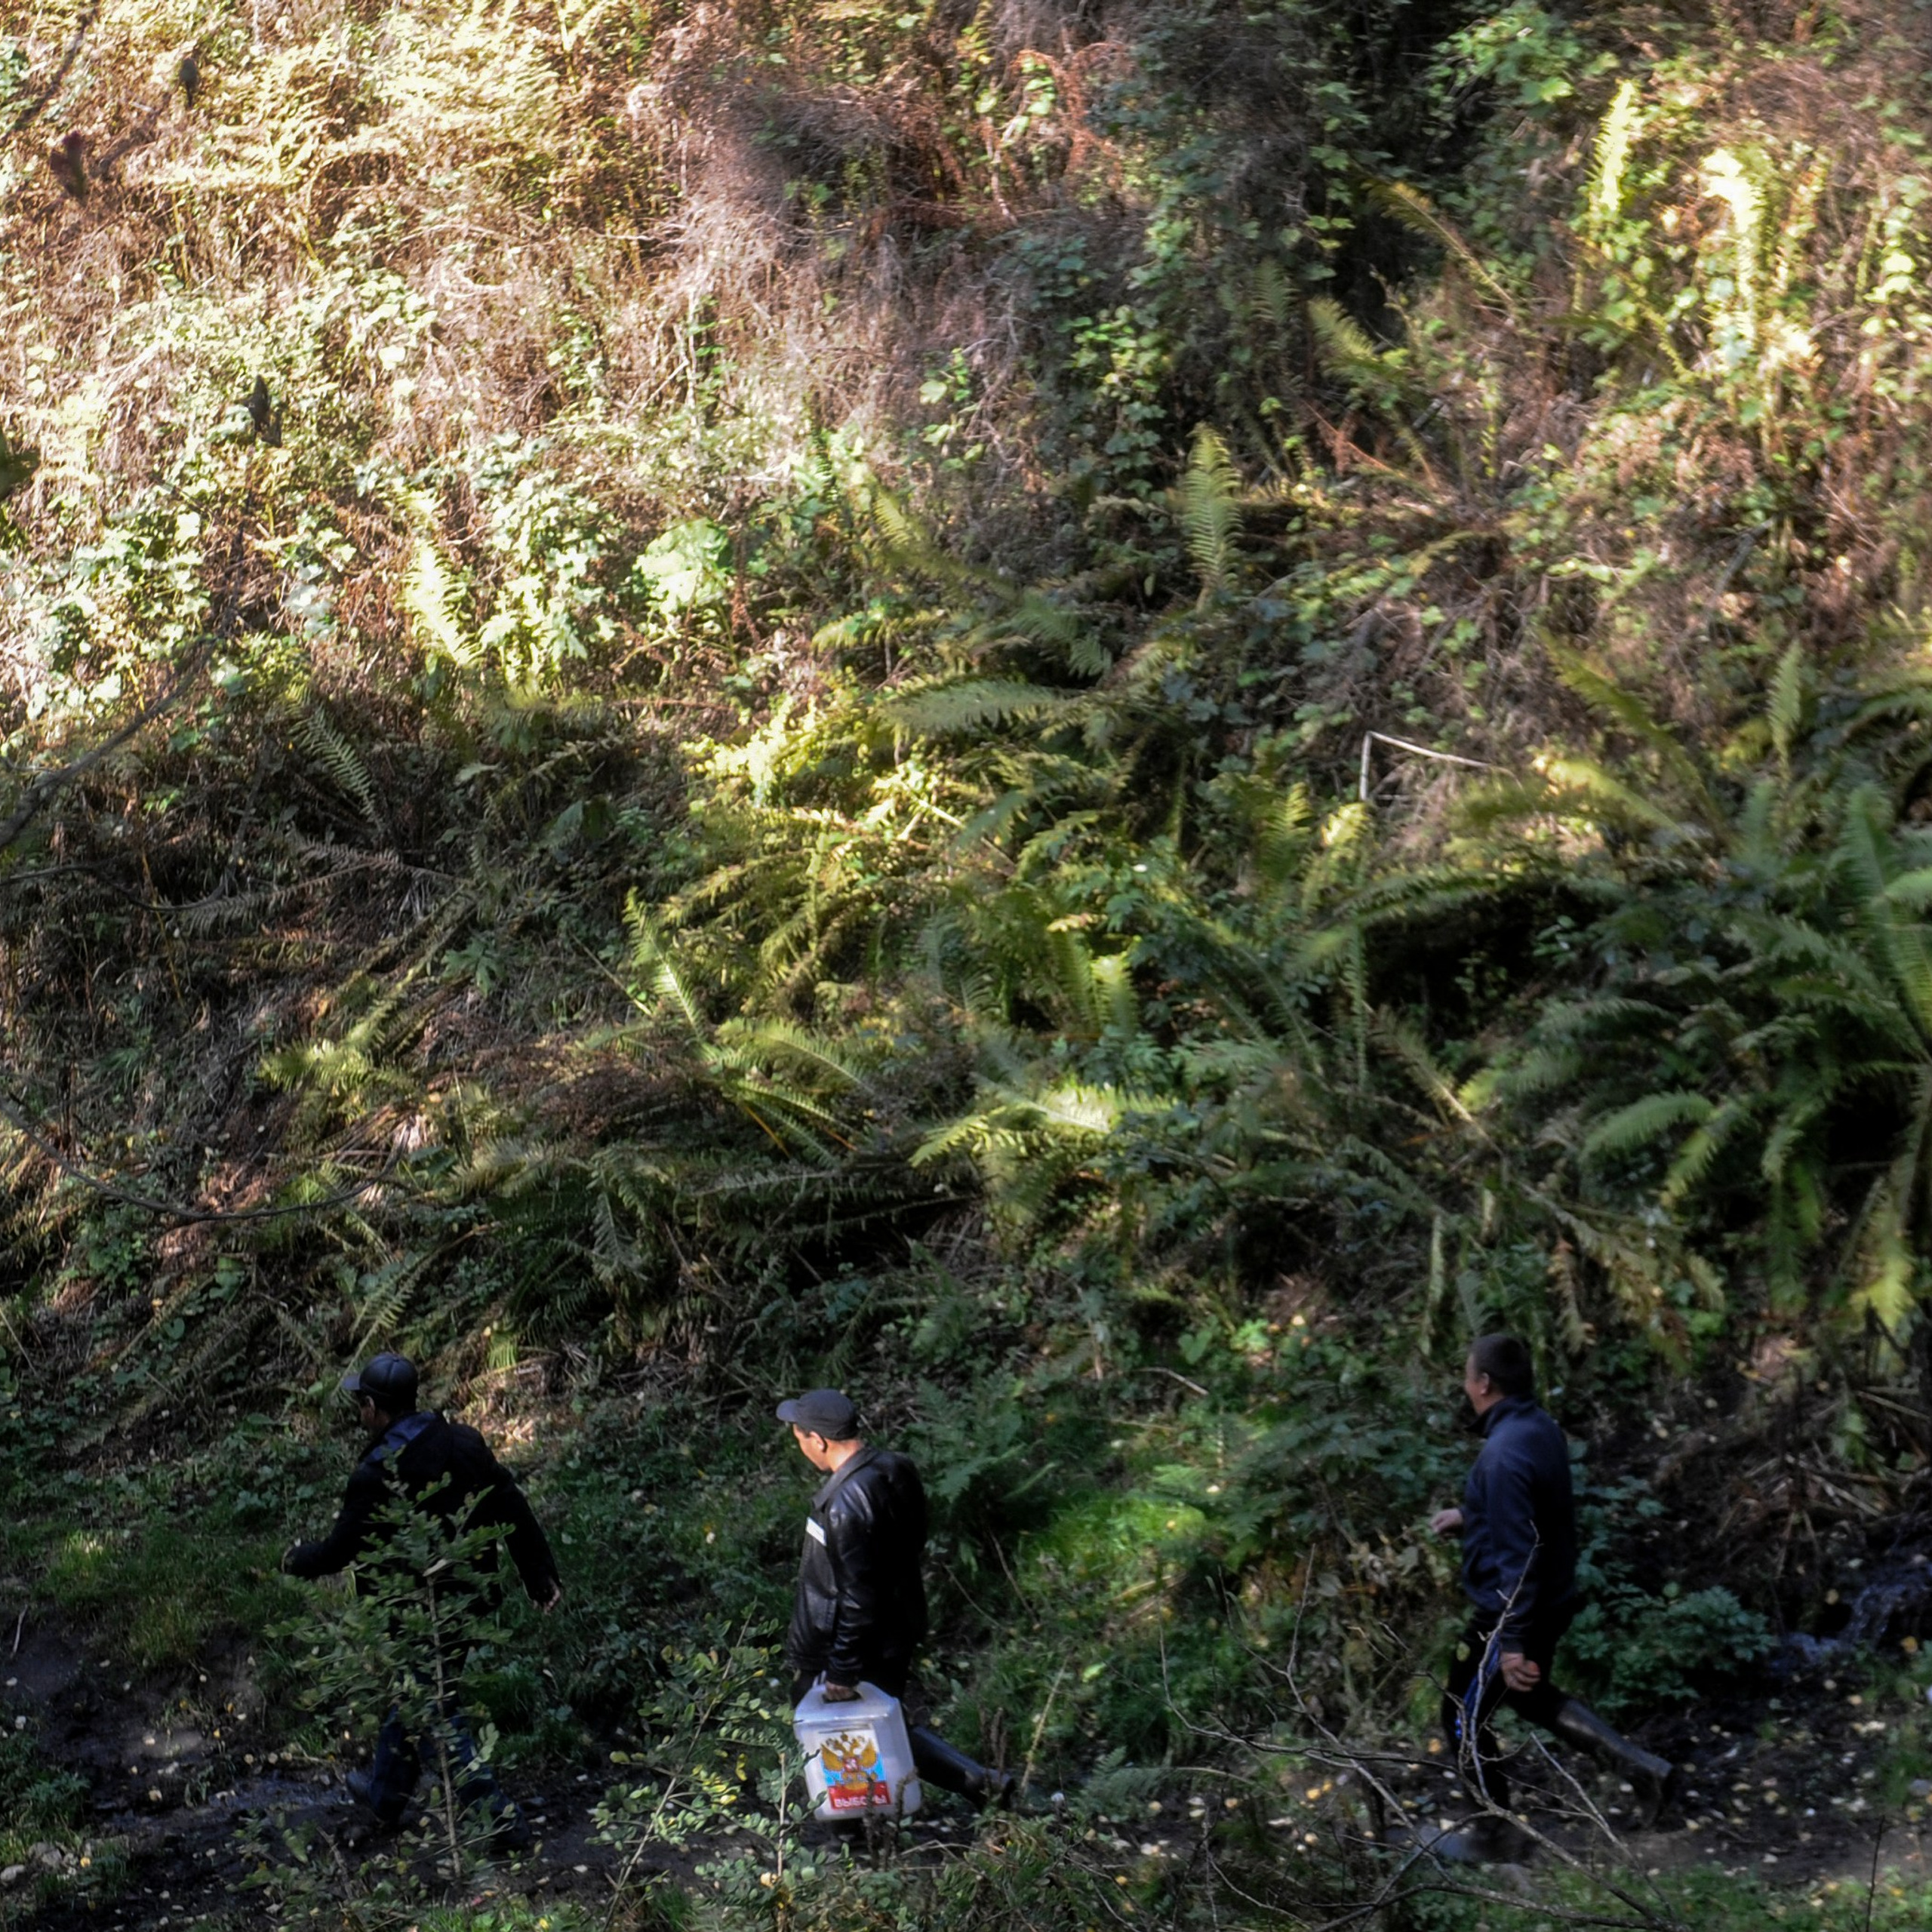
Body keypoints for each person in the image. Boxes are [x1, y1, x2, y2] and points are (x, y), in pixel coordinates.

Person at [284, 1352, 562, 1844]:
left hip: (414, 1610)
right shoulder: (462, 1442)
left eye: (360, 1404)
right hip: (469, 1598)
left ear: (374, 1407)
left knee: (432, 1708)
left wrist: (292, 1559)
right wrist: (538, 1574)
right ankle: (386, 1795)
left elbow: (337, 1551)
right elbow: (509, 1503)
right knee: (414, 1694)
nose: (358, 1412)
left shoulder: (377, 1471)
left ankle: (500, 1821)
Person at [1429, 1334, 1675, 1852]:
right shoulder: (1537, 1429)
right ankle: (1645, 1772)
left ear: (1484, 1384)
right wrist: (1470, 1516)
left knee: (1460, 1713)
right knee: (1530, 1696)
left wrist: (1513, 1640)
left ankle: (1496, 1836)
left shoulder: (1501, 1454)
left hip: (1511, 1613)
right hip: (1550, 1600)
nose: (1465, 1384)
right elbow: (1528, 1509)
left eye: (1468, 1375)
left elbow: (1519, 1555)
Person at [778, 1387, 1013, 1810]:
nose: (800, 1449)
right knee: (884, 1721)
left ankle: (851, 1827)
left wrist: (842, 1668)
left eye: (799, 1439)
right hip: (893, 1626)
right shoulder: (893, 1469)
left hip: (849, 1639)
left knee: (846, 1729)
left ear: (820, 1441)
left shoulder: (846, 1503)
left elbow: (857, 1594)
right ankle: (979, 1784)